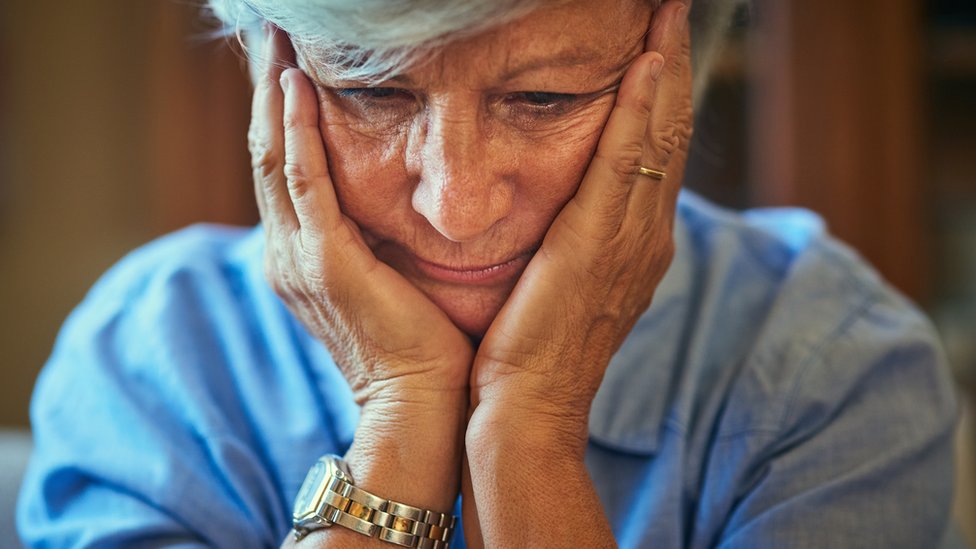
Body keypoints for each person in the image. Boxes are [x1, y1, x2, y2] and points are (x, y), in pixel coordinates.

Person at [17, 0, 958, 547]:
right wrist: (401, 404)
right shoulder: (156, 356)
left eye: (544, 98)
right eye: (370, 90)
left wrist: (532, 426)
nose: (454, 204)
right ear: (272, 87)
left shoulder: (833, 365)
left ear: (678, 88)